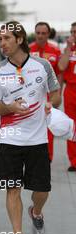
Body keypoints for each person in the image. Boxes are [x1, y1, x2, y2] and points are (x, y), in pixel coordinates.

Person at [0, 21, 61, 234]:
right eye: (0, 39)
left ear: (19, 40)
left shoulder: (42, 66)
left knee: (41, 191)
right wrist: (9, 107)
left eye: (6, 38)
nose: (2, 44)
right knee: (12, 189)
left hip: (38, 139)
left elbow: (56, 94)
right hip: (9, 139)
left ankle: (36, 212)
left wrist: (52, 104)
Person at [29, 22, 62, 162]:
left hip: (49, 93)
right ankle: (31, 155)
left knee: (49, 126)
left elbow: (60, 73)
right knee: (31, 124)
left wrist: (57, 93)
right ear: (35, 33)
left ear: (48, 34)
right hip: (32, 94)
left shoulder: (55, 50)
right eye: (38, 33)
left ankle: (47, 157)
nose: (40, 36)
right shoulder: (27, 50)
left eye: (43, 33)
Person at [58, 22, 76, 171]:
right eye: (72, 32)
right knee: (72, 126)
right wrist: (68, 48)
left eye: (75, 32)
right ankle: (74, 161)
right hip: (71, 90)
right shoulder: (68, 50)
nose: (73, 34)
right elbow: (62, 67)